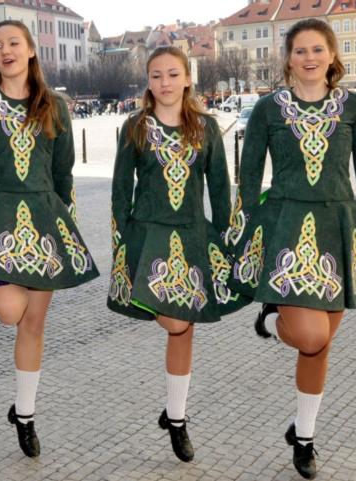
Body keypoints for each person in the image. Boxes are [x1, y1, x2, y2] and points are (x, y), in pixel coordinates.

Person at [228, 19, 356, 479]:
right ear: (288, 58)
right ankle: (272, 318)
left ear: (332, 54)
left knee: (320, 347)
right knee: (312, 336)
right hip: (285, 229)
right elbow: (248, 174)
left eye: (318, 49)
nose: (309, 58)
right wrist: (243, 230)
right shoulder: (268, 109)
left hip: (338, 231)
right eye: (300, 50)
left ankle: (304, 437)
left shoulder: (354, 107)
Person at [0, 20, 99, 458]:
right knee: (10, 312)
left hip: (45, 222)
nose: (4, 51)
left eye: (12, 43)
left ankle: (24, 414)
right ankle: (23, 408)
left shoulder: (55, 106)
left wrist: (67, 227)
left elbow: (64, 173)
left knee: (34, 324)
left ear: (30, 50)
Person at [109, 46, 245, 463]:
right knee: (175, 321)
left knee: (183, 327)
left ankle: (177, 416)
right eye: (156, 75)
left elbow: (220, 190)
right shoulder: (134, 126)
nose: (164, 82)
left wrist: (226, 244)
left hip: (191, 237)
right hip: (147, 237)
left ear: (188, 78)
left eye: (172, 74)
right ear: (148, 81)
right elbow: (120, 191)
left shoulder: (205, 128)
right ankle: (175, 412)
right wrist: (122, 247)